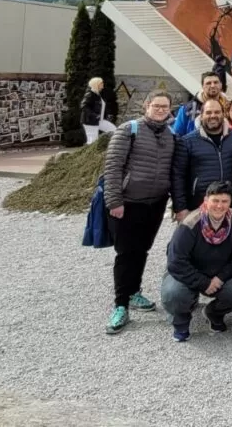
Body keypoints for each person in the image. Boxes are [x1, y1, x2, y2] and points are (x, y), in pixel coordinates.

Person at [102, 91, 177, 335]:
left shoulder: (170, 134)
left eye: (165, 107)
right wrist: (114, 200)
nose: (161, 110)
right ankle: (120, 304)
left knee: (142, 249)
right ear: (147, 106)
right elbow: (113, 166)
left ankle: (134, 292)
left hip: (155, 203)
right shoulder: (128, 130)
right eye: (157, 106)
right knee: (125, 252)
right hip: (128, 201)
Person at [161, 181, 232, 342]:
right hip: (189, 271)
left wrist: (220, 277)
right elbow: (176, 262)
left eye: (224, 201)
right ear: (206, 200)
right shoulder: (189, 224)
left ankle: (214, 313)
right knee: (174, 294)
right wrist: (203, 283)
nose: (219, 206)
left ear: (230, 202)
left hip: (218, 272)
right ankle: (181, 321)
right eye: (215, 201)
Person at [171, 98, 232, 216]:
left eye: (217, 112)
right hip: (198, 205)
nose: (213, 116)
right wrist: (180, 208)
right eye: (209, 112)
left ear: (223, 115)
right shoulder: (187, 142)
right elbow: (178, 177)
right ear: (201, 116)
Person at [173, 71, 227, 136]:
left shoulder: (229, 107)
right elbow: (177, 136)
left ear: (221, 85)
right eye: (208, 83)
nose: (213, 85)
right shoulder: (187, 109)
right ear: (202, 86)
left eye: (216, 82)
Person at [81, 76, 116, 144]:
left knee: (114, 130)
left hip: (100, 120)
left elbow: (101, 107)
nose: (103, 85)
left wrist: (107, 115)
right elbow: (84, 106)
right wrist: (94, 115)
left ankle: (112, 146)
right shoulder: (90, 94)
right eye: (101, 83)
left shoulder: (97, 94)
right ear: (96, 84)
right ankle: (89, 154)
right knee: (92, 141)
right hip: (90, 121)